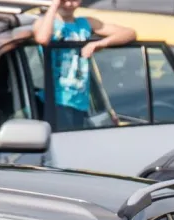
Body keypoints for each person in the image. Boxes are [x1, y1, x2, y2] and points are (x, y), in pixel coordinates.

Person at [32, 0, 135, 131]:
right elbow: (42, 38)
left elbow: (129, 33)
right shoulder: (45, 23)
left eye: (73, 0)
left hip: (80, 102)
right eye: (64, 1)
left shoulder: (84, 23)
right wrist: (54, 6)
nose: (68, 5)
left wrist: (100, 43)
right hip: (56, 101)